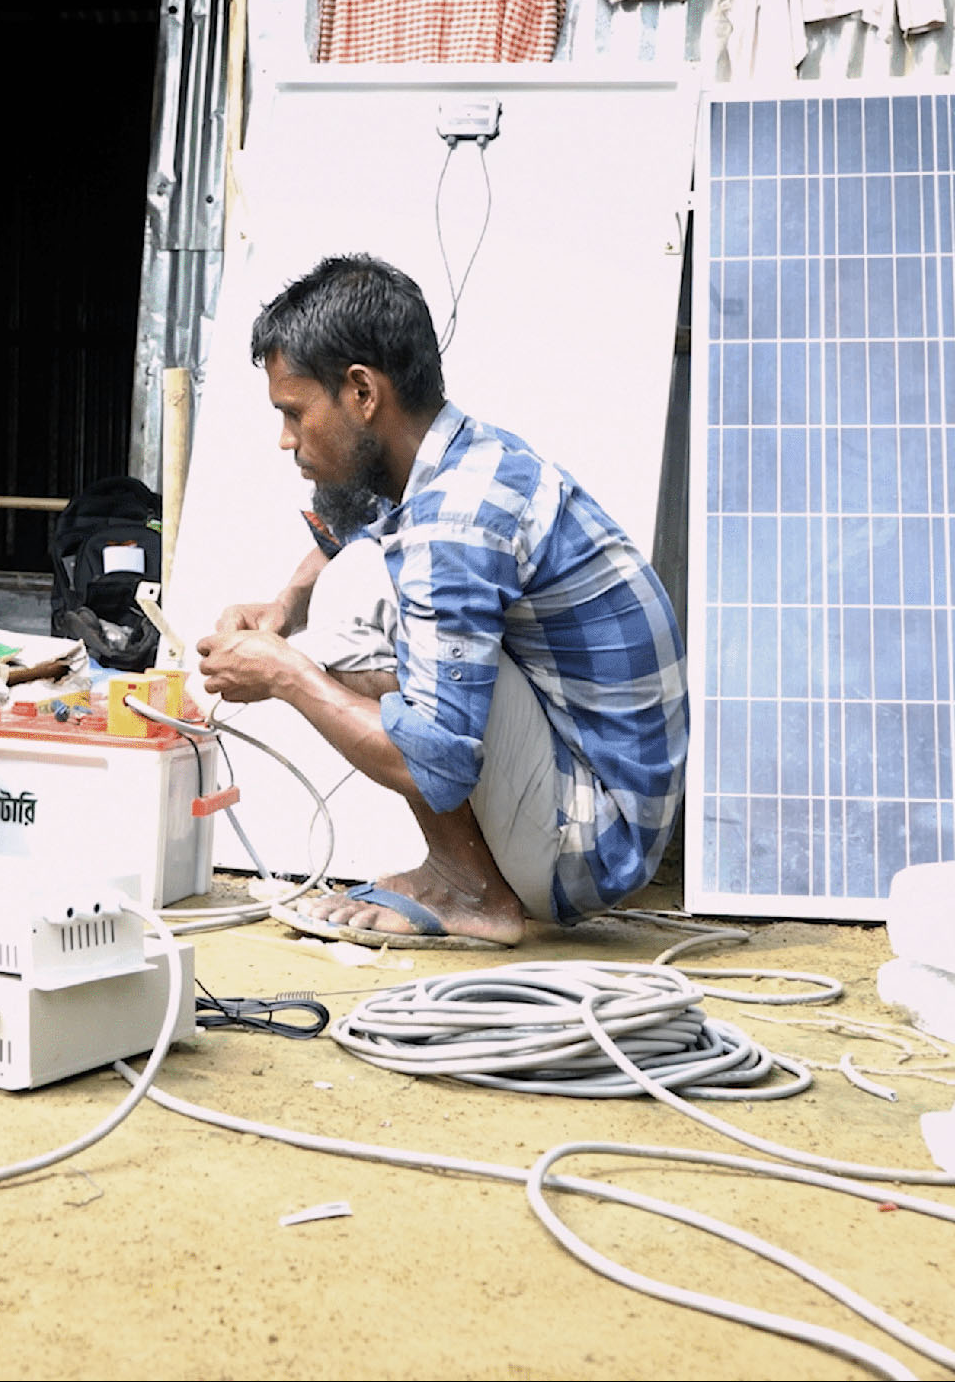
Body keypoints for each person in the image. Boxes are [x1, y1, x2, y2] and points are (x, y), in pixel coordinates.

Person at [196, 256, 689, 948]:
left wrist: (285, 673)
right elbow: (361, 527)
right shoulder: (466, 461)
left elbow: (437, 762)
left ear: (363, 392)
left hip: (592, 844)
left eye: (294, 412)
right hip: (600, 800)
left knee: (354, 608)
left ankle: (472, 891)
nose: (286, 440)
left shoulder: (454, 523)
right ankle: (464, 874)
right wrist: (285, 606)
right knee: (357, 579)